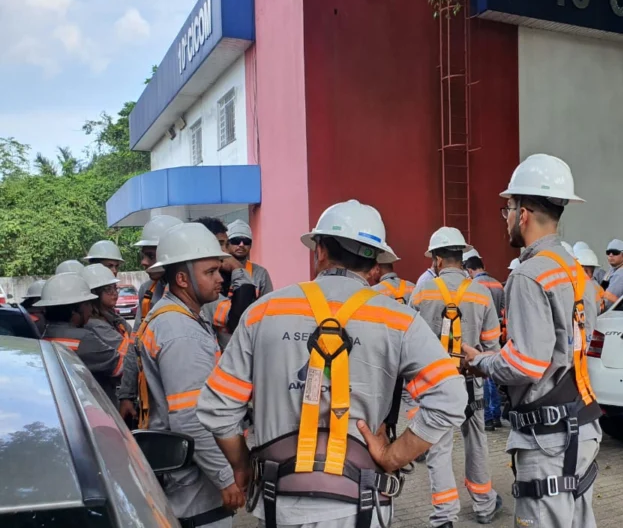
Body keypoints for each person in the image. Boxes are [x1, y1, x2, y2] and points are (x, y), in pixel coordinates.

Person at [196, 199, 466, 528]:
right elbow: (450, 397)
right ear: (375, 264)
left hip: (277, 501)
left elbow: (217, 407)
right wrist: (394, 455)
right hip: (361, 504)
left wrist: (241, 466)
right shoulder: (399, 320)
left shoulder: (264, 312)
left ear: (320, 250)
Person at [462, 153, 602, 528]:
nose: (506, 218)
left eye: (507, 209)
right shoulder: (576, 271)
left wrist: (480, 361)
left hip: (547, 437)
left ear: (521, 214)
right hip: (582, 425)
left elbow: (526, 364)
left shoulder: (528, 275)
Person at [135, 222, 242, 527]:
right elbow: (190, 417)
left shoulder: (175, 316)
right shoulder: (181, 331)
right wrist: (225, 478)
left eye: (218, 270)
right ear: (182, 278)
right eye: (210, 272)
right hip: (197, 492)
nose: (220, 278)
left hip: (185, 475)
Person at [410, 227, 504, 527]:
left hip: (434, 386)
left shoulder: (422, 292)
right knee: (476, 442)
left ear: (437, 259)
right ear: (461, 257)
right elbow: (492, 348)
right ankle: (484, 505)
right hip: (471, 384)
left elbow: (408, 344)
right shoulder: (481, 293)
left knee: (438, 446)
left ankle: (444, 517)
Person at [118, 214, 183, 425]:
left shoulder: (204, 295)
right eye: (143, 255)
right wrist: (127, 394)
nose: (144, 262)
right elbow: (134, 343)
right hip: (156, 402)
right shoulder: (148, 291)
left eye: (150, 255)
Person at [35, 273, 123, 401]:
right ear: (74, 310)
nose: (90, 309)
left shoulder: (43, 334)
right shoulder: (83, 339)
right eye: (87, 304)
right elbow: (120, 367)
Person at [196, 217, 258, 350]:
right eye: (220, 244)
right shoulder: (202, 285)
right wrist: (238, 268)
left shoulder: (258, 272)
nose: (226, 251)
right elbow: (237, 317)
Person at [463, 249, 507, 432]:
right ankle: (496, 414)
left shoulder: (473, 286)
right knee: (493, 377)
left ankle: (488, 417)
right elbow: (505, 312)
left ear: (470, 269)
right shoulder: (498, 284)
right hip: (496, 335)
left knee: (482, 379)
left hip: (479, 337)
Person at [82, 264, 134, 406]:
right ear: (94, 294)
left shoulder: (111, 316)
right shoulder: (95, 324)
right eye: (107, 290)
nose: (114, 293)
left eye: (115, 288)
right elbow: (131, 351)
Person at [227, 219, 274, 296]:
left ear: (251, 245)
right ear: (227, 243)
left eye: (246, 241)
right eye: (236, 240)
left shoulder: (260, 273)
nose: (241, 245)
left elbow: (269, 302)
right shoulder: (217, 270)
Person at [602, 239, 623, 306]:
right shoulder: (616, 269)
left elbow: (607, 301)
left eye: (615, 252)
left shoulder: (622, 273)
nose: (611, 255)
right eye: (608, 252)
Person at [574, 247, 607, 314]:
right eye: (585, 271)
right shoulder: (594, 285)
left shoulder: (594, 286)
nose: (589, 275)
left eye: (591, 271)